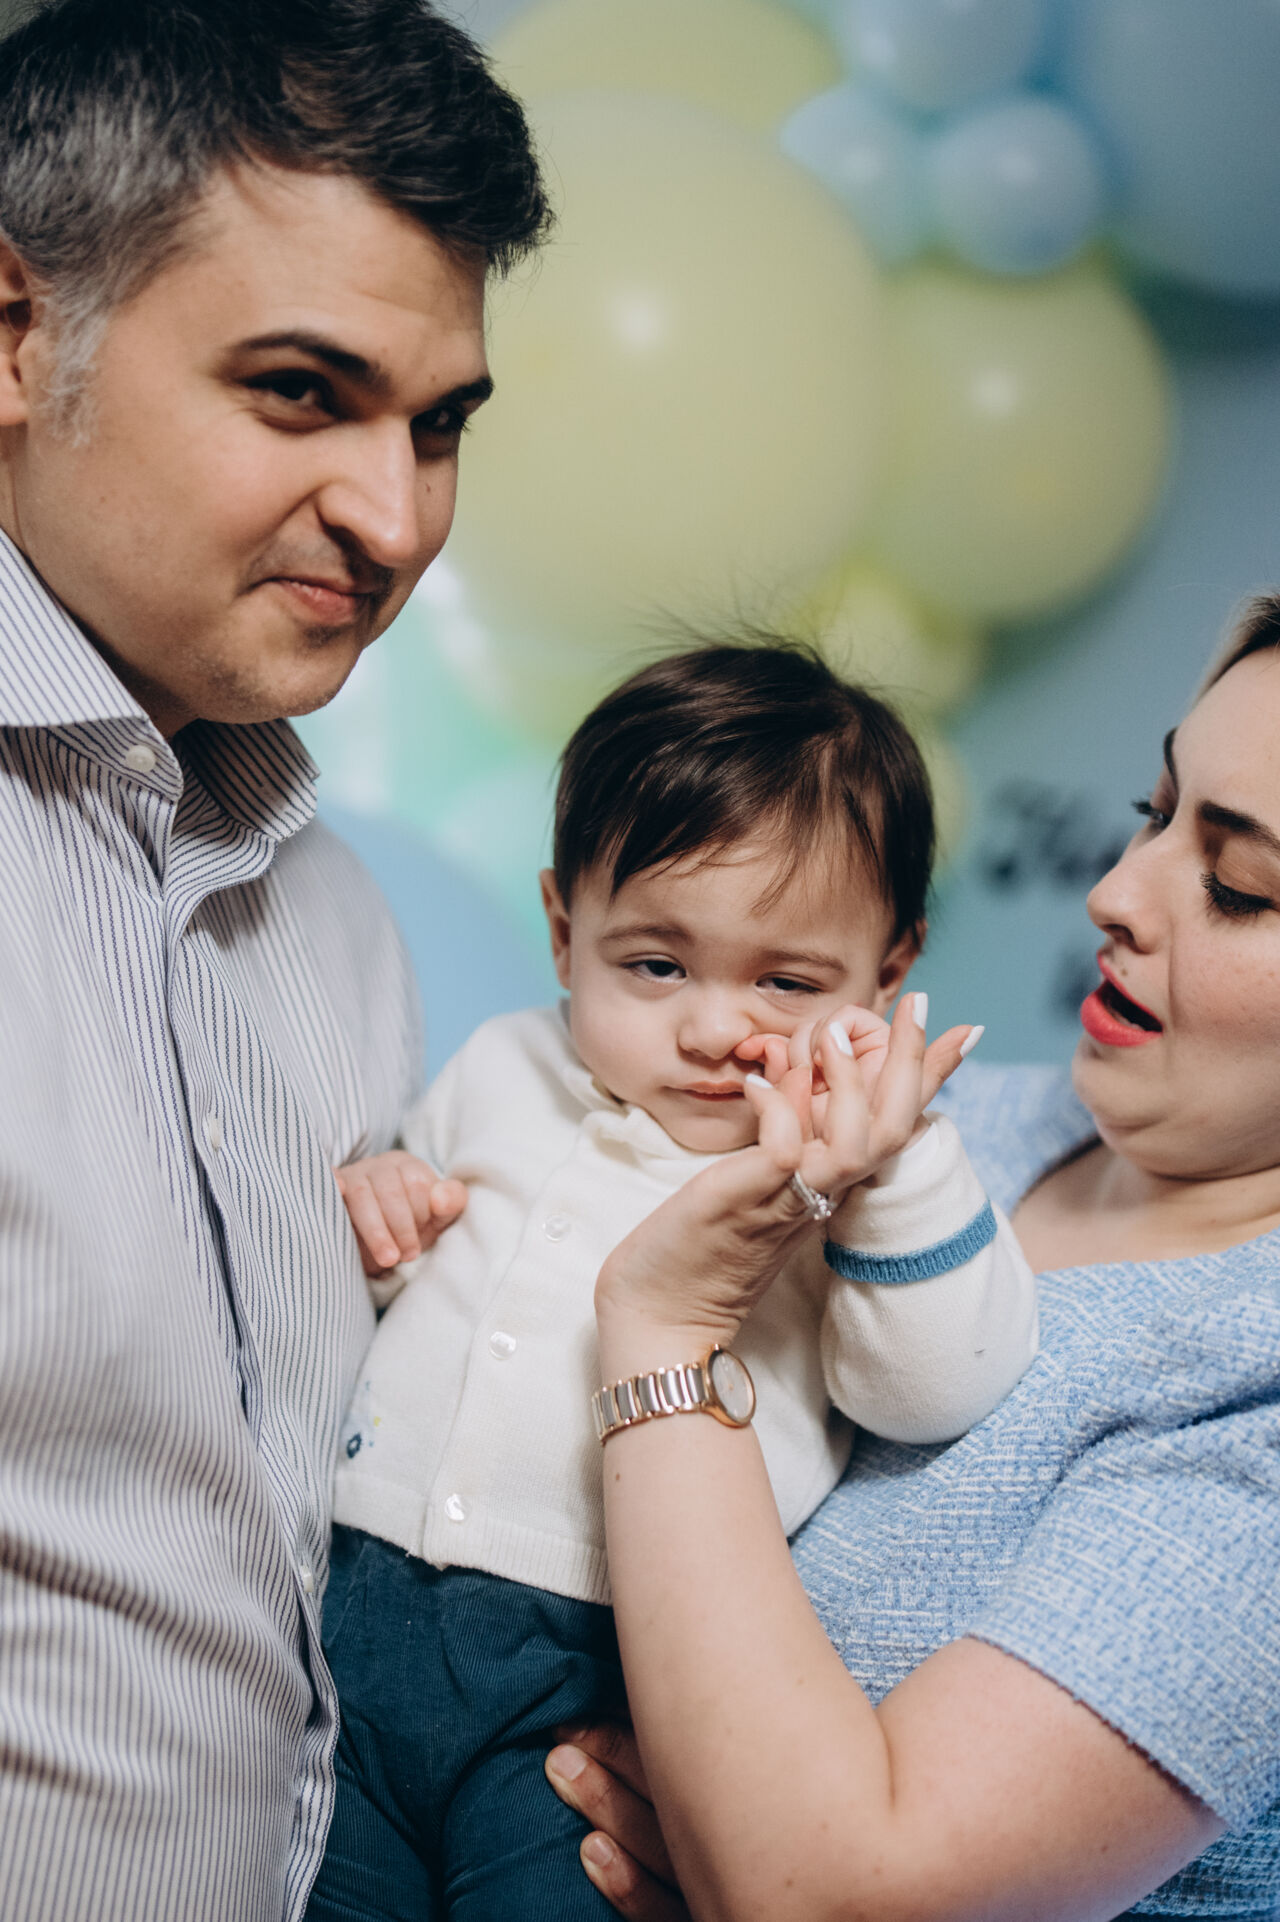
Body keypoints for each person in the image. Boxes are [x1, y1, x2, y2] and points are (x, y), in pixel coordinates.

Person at [0, 3, 547, 1918]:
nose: (397, 518)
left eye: (440, 425)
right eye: (306, 391)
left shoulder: (337, 923)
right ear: (16, 335)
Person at [544, 595, 1280, 1922]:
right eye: (1155, 809)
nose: (1112, 893)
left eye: (1238, 885)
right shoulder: (949, 1115)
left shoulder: (1252, 1399)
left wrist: (665, 1337)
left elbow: (832, 1890)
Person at [309, 642, 1039, 1921]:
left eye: (786, 981)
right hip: (353, 1613)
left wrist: (897, 1160)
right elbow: (407, 1297)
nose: (711, 1028)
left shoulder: (847, 1169)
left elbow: (934, 1388)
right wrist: (385, 1216)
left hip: (593, 1680)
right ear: (562, 930)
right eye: (654, 964)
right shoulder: (503, 1064)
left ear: (888, 969)